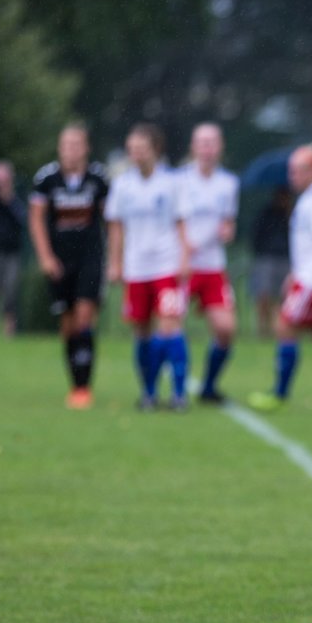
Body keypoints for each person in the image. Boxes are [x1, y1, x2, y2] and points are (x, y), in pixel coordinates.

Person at [248, 144, 312, 413]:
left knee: (285, 328)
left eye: (300, 170)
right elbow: (309, 244)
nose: (293, 175)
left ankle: (280, 393)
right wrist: (295, 272)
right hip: (309, 275)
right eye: (291, 170)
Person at [105, 123, 190, 411]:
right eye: (131, 149)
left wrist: (184, 259)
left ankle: (179, 394)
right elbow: (116, 227)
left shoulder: (172, 182)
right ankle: (149, 392)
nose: (135, 154)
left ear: (155, 149)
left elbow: (181, 224)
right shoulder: (122, 186)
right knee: (141, 331)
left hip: (166, 264)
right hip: (135, 268)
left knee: (169, 327)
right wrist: (115, 263)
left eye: (141, 149)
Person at [28, 123, 111, 408]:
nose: (71, 150)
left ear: (86, 147)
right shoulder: (46, 178)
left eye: (77, 144)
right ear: (59, 148)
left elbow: (109, 220)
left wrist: (115, 258)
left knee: (84, 317)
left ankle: (83, 387)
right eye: (67, 144)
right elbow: (36, 219)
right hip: (60, 260)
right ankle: (74, 381)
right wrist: (45, 257)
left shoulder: (98, 179)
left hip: (90, 257)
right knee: (67, 325)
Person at [176, 123, 239, 403]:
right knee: (172, 327)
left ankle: (209, 386)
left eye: (212, 142)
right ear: (193, 147)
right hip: (183, 265)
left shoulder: (228, 183)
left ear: (220, 146)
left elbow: (228, 221)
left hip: (213, 266)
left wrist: (227, 230)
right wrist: (183, 253)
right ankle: (178, 385)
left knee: (226, 329)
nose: (207, 148)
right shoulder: (179, 181)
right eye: (202, 142)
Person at [0, 161, 27, 337]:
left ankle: (10, 331)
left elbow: (23, 220)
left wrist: (8, 199)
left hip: (12, 253)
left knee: (11, 292)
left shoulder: (14, 201)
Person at [250, 187, 293, 338]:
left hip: (285, 258)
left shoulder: (293, 215)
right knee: (263, 294)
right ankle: (263, 328)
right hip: (266, 257)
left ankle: (279, 329)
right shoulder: (266, 214)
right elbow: (256, 235)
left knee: (283, 297)